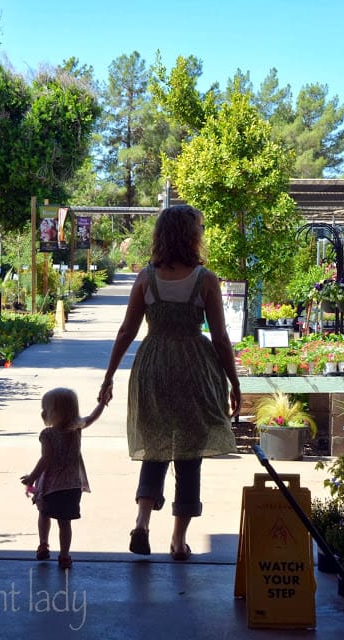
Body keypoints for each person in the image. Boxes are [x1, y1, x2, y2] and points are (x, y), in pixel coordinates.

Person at [98, 204, 241, 561]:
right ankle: (178, 541)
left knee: (156, 445)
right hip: (195, 368)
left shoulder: (147, 277)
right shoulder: (205, 279)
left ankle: (142, 523)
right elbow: (221, 338)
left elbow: (126, 331)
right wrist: (234, 381)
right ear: (191, 235)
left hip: (154, 367)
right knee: (190, 454)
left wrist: (110, 375)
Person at [21, 387, 106, 569]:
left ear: (54, 412)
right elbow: (92, 417)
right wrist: (102, 403)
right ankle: (65, 555)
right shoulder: (77, 428)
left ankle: (43, 544)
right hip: (72, 485)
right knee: (64, 523)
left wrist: (31, 477)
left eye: (45, 409)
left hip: (51, 485)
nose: (43, 412)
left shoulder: (48, 434)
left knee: (44, 514)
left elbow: (46, 459)